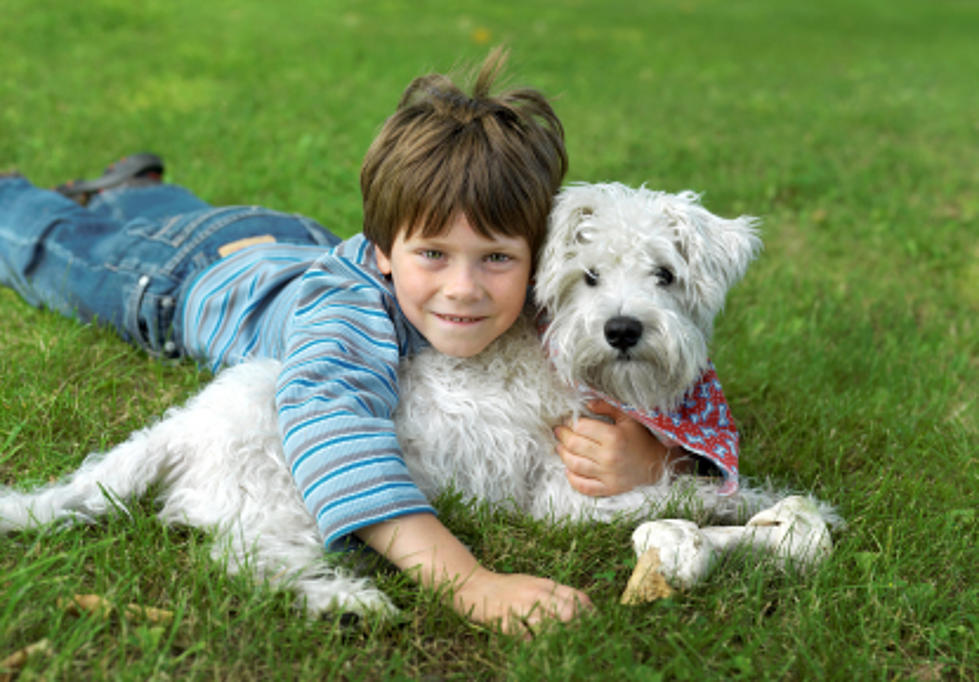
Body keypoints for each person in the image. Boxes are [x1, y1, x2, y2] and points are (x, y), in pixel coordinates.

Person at [0, 49, 682, 633]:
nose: (465, 289)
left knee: (178, 219)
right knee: (54, 249)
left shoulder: (536, 293)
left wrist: (648, 458)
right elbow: (332, 428)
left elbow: (642, 372)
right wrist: (468, 581)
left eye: (496, 259)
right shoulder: (345, 317)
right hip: (181, 280)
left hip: (287, 240)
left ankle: (134, 191)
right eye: (435, 255)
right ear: (386, 253)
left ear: (536, 256)